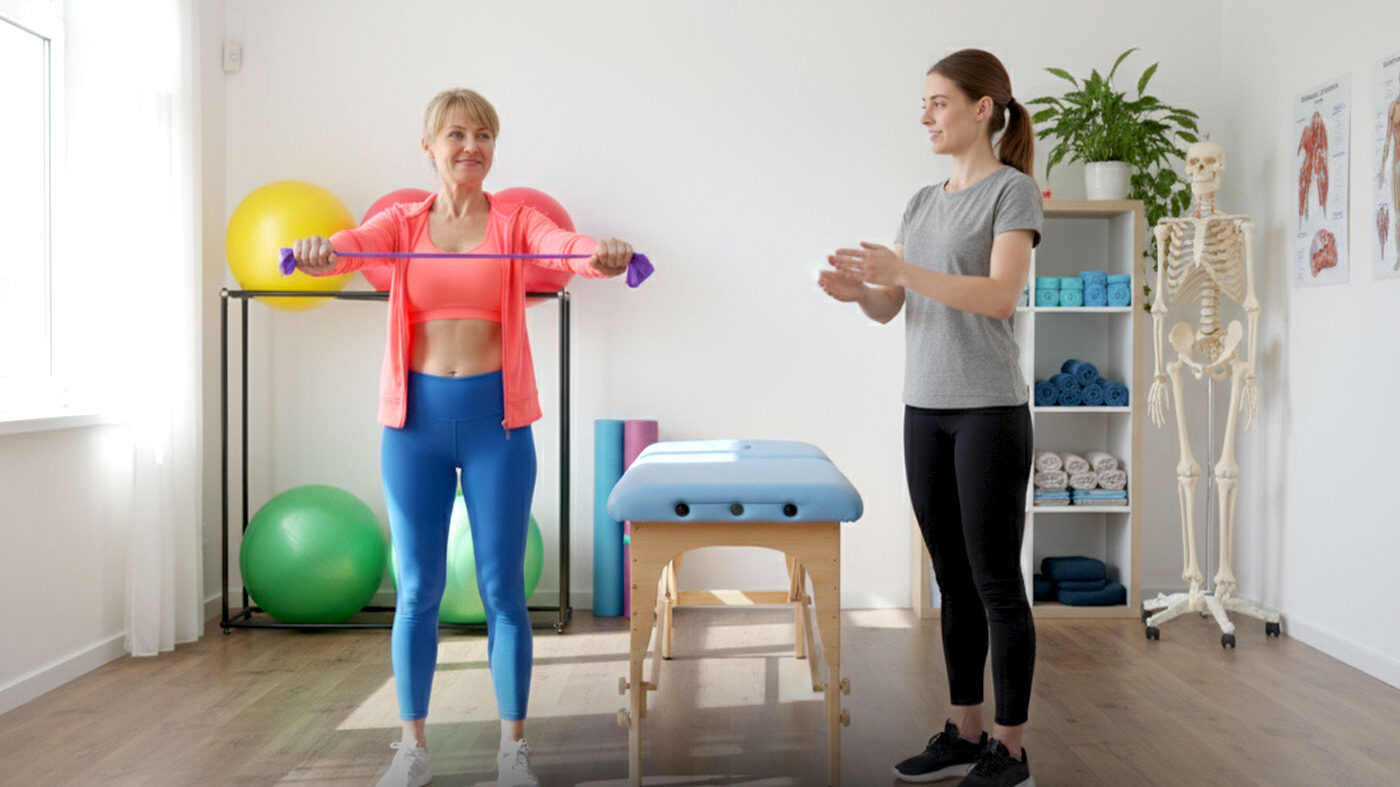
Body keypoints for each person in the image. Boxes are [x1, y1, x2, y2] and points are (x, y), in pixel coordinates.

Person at [290, 87, 636, 787]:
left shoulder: (514, 220)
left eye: (483, 135)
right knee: (415, 588)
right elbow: (354, 246)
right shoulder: (401, 222)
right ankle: (411, 748)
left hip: (496, 423)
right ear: (429, 147)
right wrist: (323, 250)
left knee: (503, 587)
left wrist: (595, 253)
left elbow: (558, 248)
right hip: (414, 423)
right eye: (456, 134)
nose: (470, 146)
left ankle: (513, 750)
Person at [821, 49, 1042, 787]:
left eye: (938, 101)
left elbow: (1000, 295)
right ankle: (964, 727)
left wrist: (905, 270)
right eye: (924, 102)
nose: (926, 115)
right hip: (927, 408)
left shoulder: (1012, 193)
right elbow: (897, 307)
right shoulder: (922, 200)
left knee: (993, 580)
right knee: (951, 575)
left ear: (982, 108)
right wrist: (861, 292)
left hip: (989, 411)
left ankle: (1009, 748)